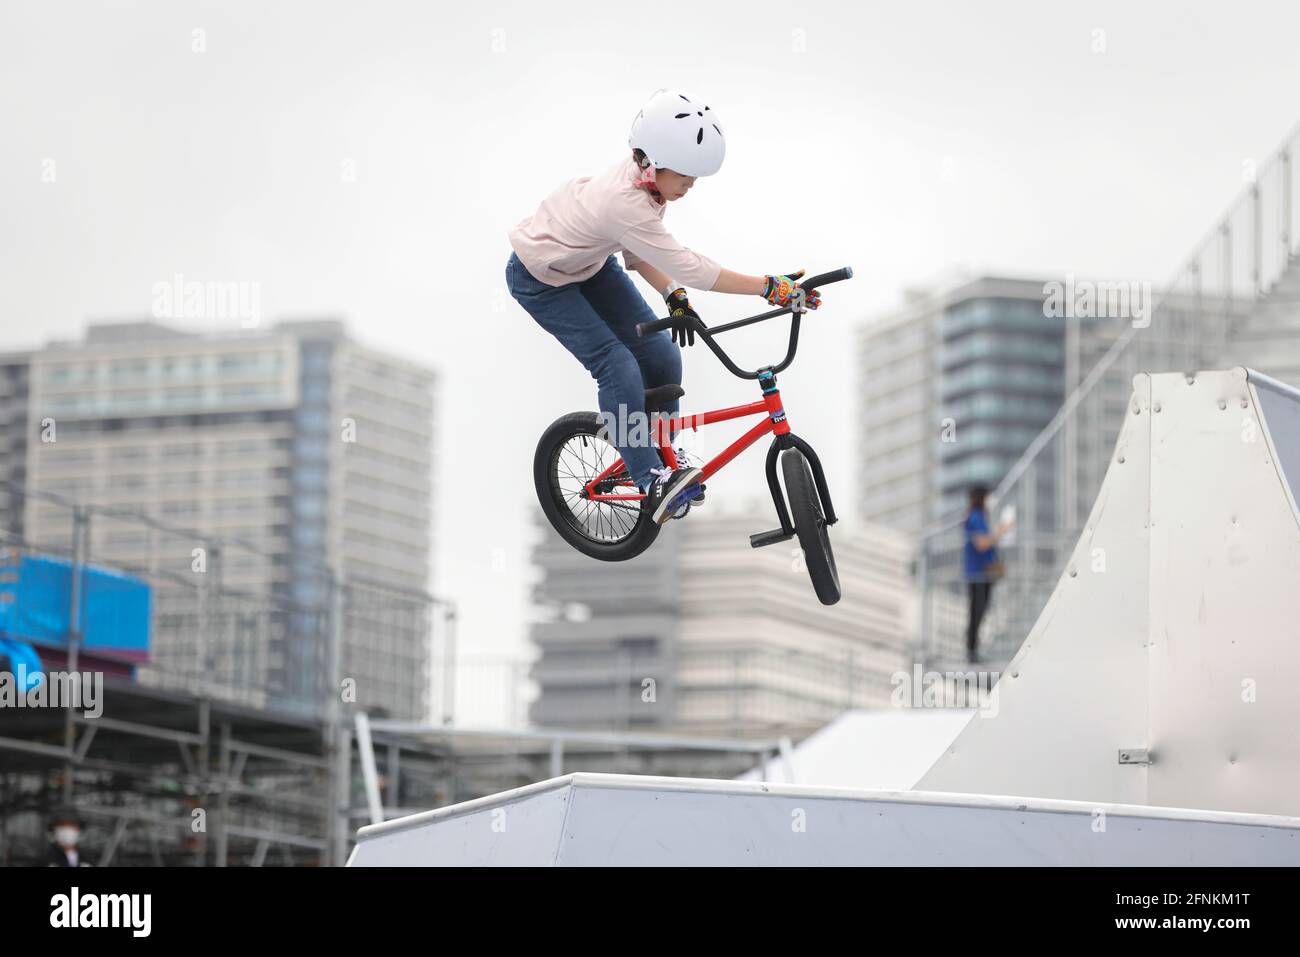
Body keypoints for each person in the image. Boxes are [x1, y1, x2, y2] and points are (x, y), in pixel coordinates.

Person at [507, 88, 824, 524]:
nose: (690, 188)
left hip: (590, 266)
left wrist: (673, 298)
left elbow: (638, 255)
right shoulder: (623, 202)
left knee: (662, 354)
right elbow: (692, 268)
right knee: (616, 365)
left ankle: (666, 451)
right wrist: (769, 287)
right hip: (540, 278)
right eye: (686, 178)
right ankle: (650, 477)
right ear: (652, 162)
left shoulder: (650, 190)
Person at [964, 485, 1013, 663]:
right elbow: (981, 543)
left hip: (984, 574)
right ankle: (971, 651)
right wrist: (1001, 531)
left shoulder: (981, 518)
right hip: (977, 574)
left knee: (981, 611)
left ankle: (974, 649)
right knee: (976, 612)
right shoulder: (974, 518)